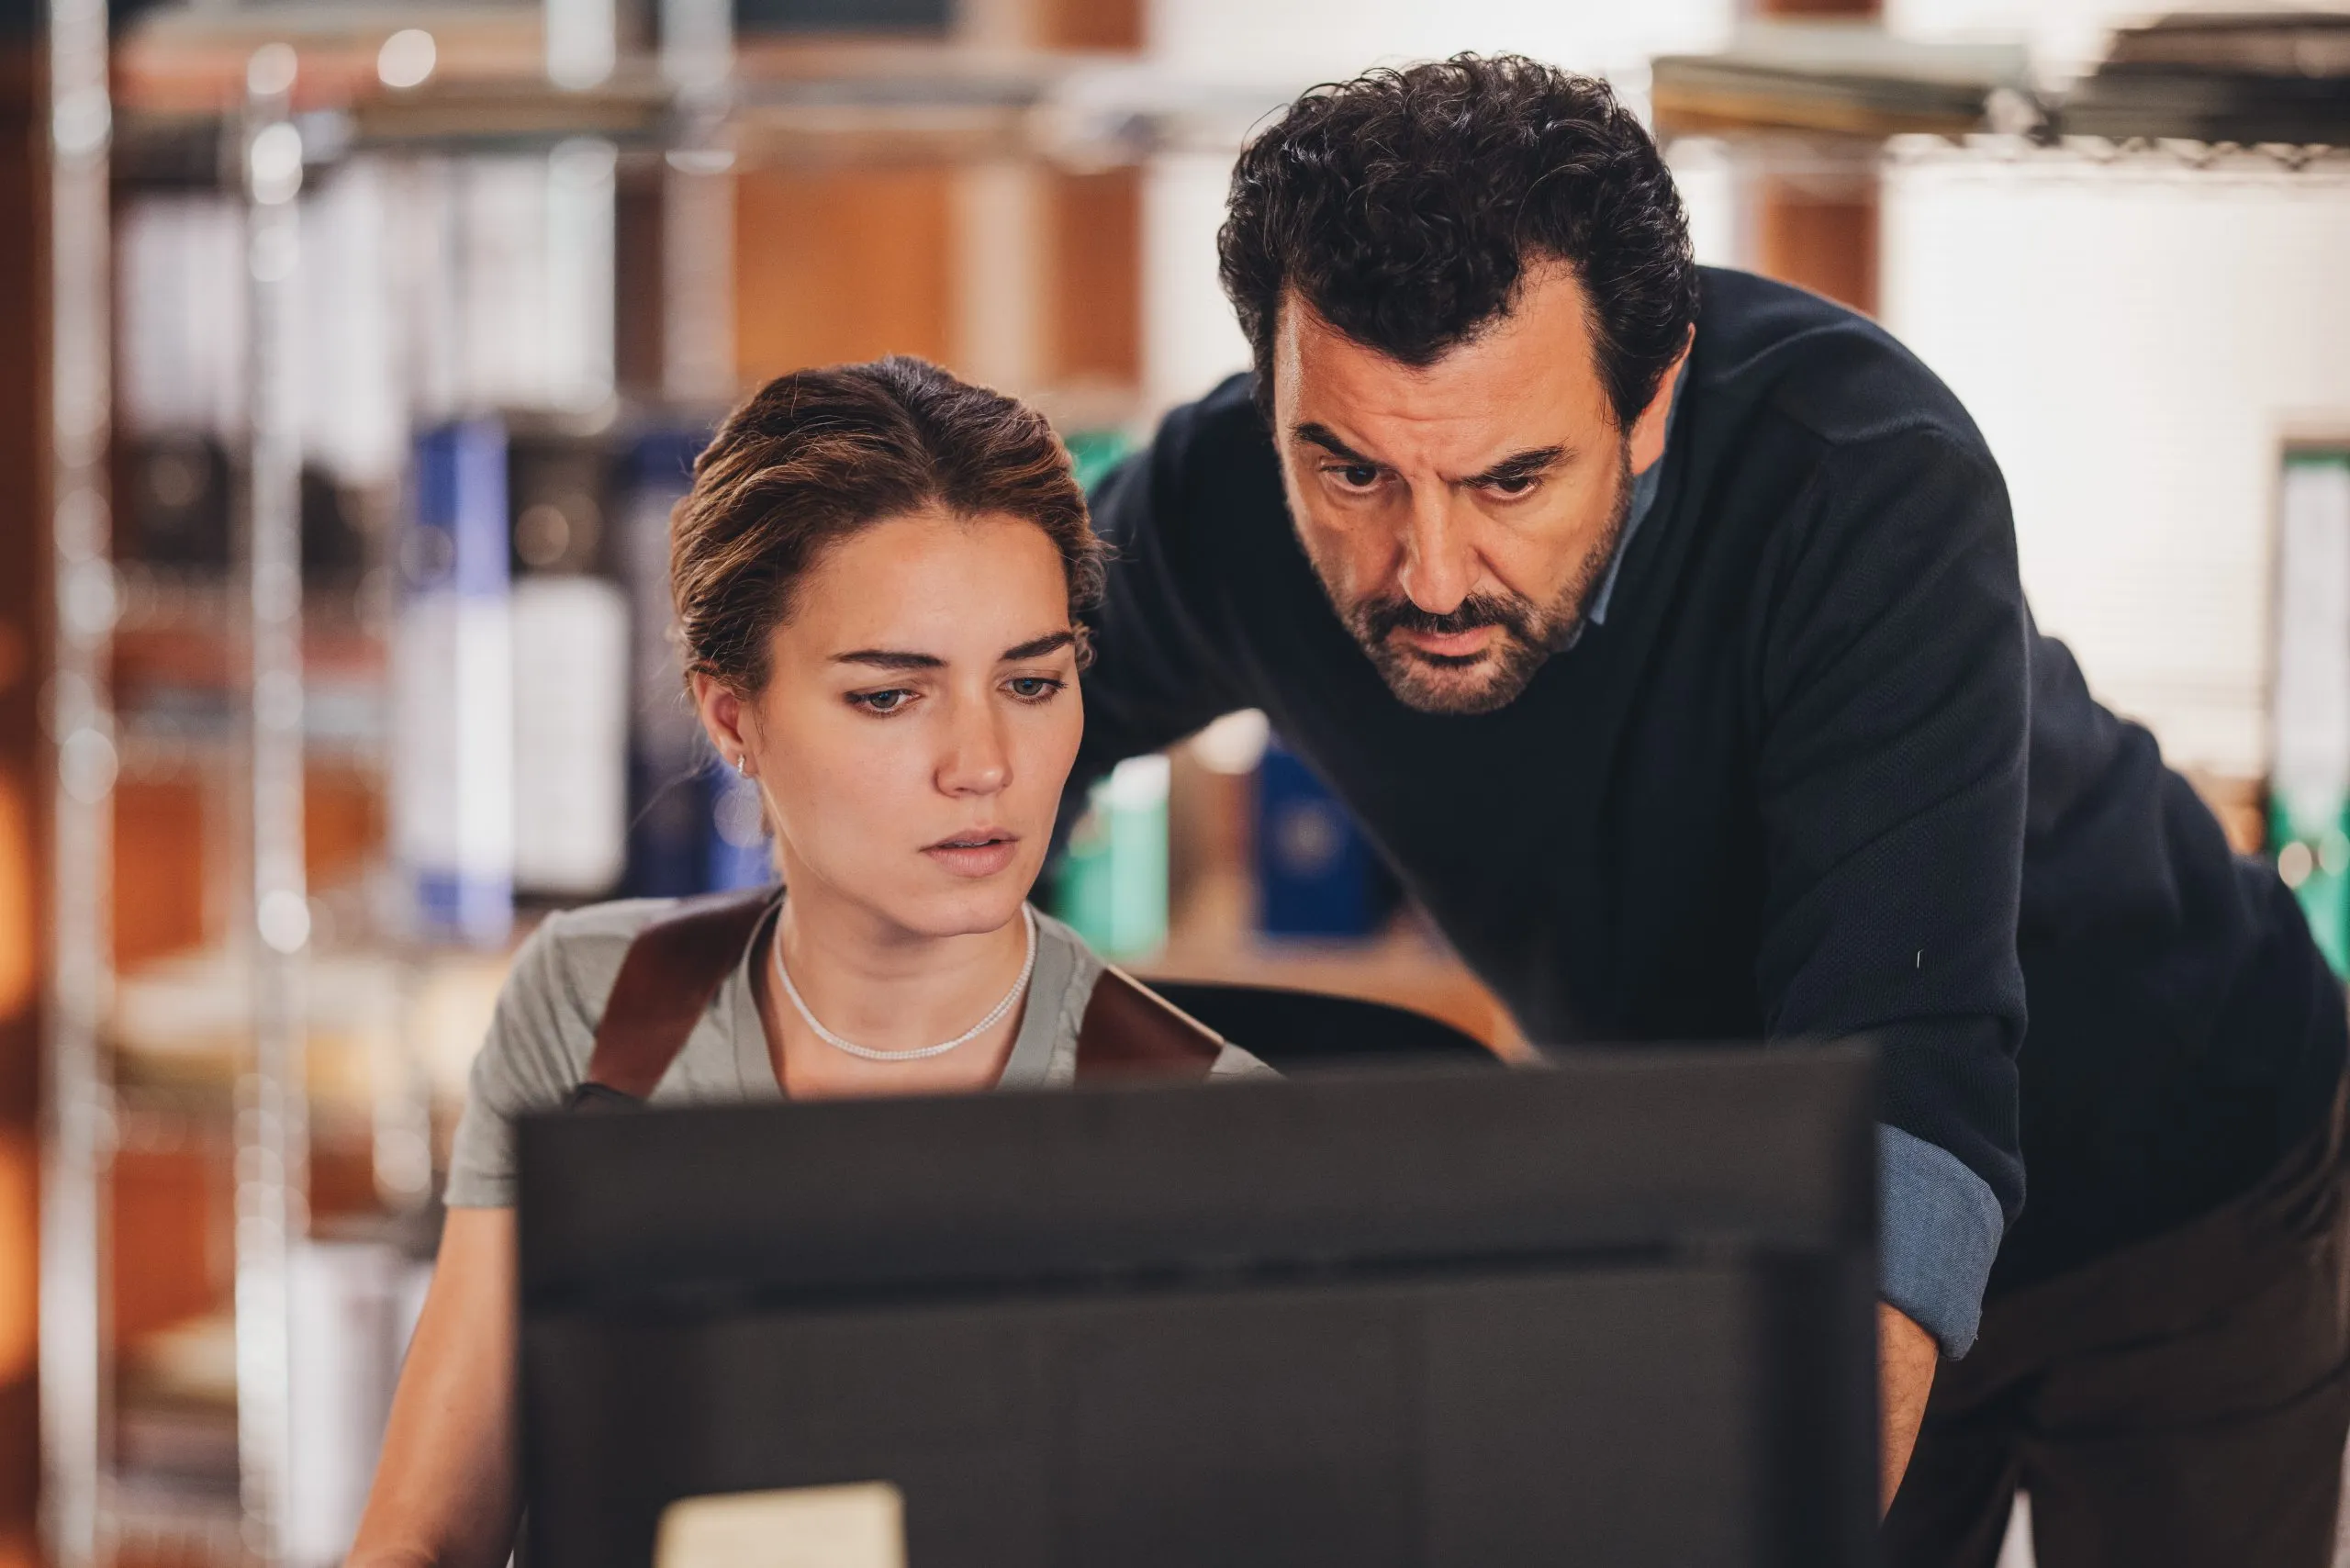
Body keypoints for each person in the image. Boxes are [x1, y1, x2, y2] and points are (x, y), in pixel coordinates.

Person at [1073, 55, 2350, 1567]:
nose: (1424, 569)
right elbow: (1009, 718)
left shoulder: (1862, 478)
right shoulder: (1224, 498)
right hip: (1758, 1212)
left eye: (1513, 479)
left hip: (2174, 1173)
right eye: (1347, 466)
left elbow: (1906, 1076)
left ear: (1653, 397)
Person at [347, 356, 1270, 1568]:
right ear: (733, 718)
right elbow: (425, 1540)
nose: (983, 762)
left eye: (1033, 682)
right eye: (893, 697)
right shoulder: (597, 1007)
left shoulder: (1219, 1129)